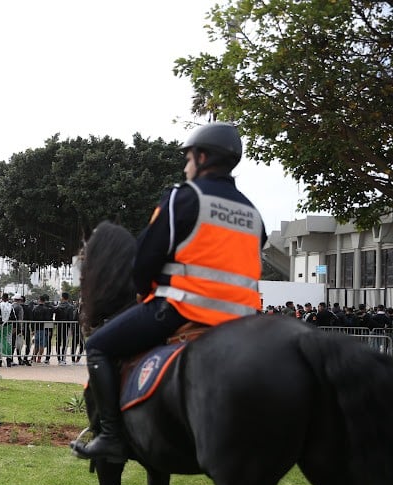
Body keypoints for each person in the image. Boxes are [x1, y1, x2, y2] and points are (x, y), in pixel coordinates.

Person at [71, 122, 266, 460]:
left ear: (202, 157)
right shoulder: (253, 213)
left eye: (188, 158)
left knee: (99, 346)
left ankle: (112, 437)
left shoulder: (185, 197)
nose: (186, 166)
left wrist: (145, 291)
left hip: (184, 309)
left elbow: (146, 259)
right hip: (244, 322)